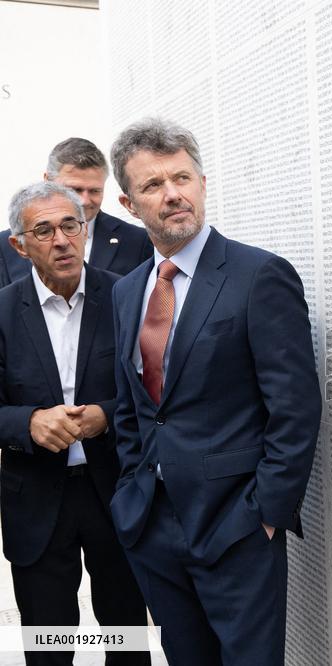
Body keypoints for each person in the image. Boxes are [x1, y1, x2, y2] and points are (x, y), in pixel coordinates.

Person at [108, 118, 321, 665]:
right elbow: (134, 409)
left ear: (203, 182)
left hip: (238, 530)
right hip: (153, 528)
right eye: (153, 185)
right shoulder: (128, 291)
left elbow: (294, 408)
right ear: (130, 205)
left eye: (182, 177)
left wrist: (265, 514)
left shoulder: (259, 275)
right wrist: (133, 491)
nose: (173, 193)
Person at [0, 181, 150, 666]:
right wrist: (28, 422)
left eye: (71, 225)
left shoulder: (128, 297)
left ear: (86, 230)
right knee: (49, 644)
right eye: (43, 230)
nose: (62, 240)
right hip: (37, 498)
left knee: (128, 639)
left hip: (116, 493)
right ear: (18, 245)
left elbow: (156, 388)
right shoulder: (2, 312)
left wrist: (107, 413)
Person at [0, 138, 153, 286]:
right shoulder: (5, 246)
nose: (84, 201)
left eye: (94, 191)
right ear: (47, 181)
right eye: (74, 190)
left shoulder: (138, 241)